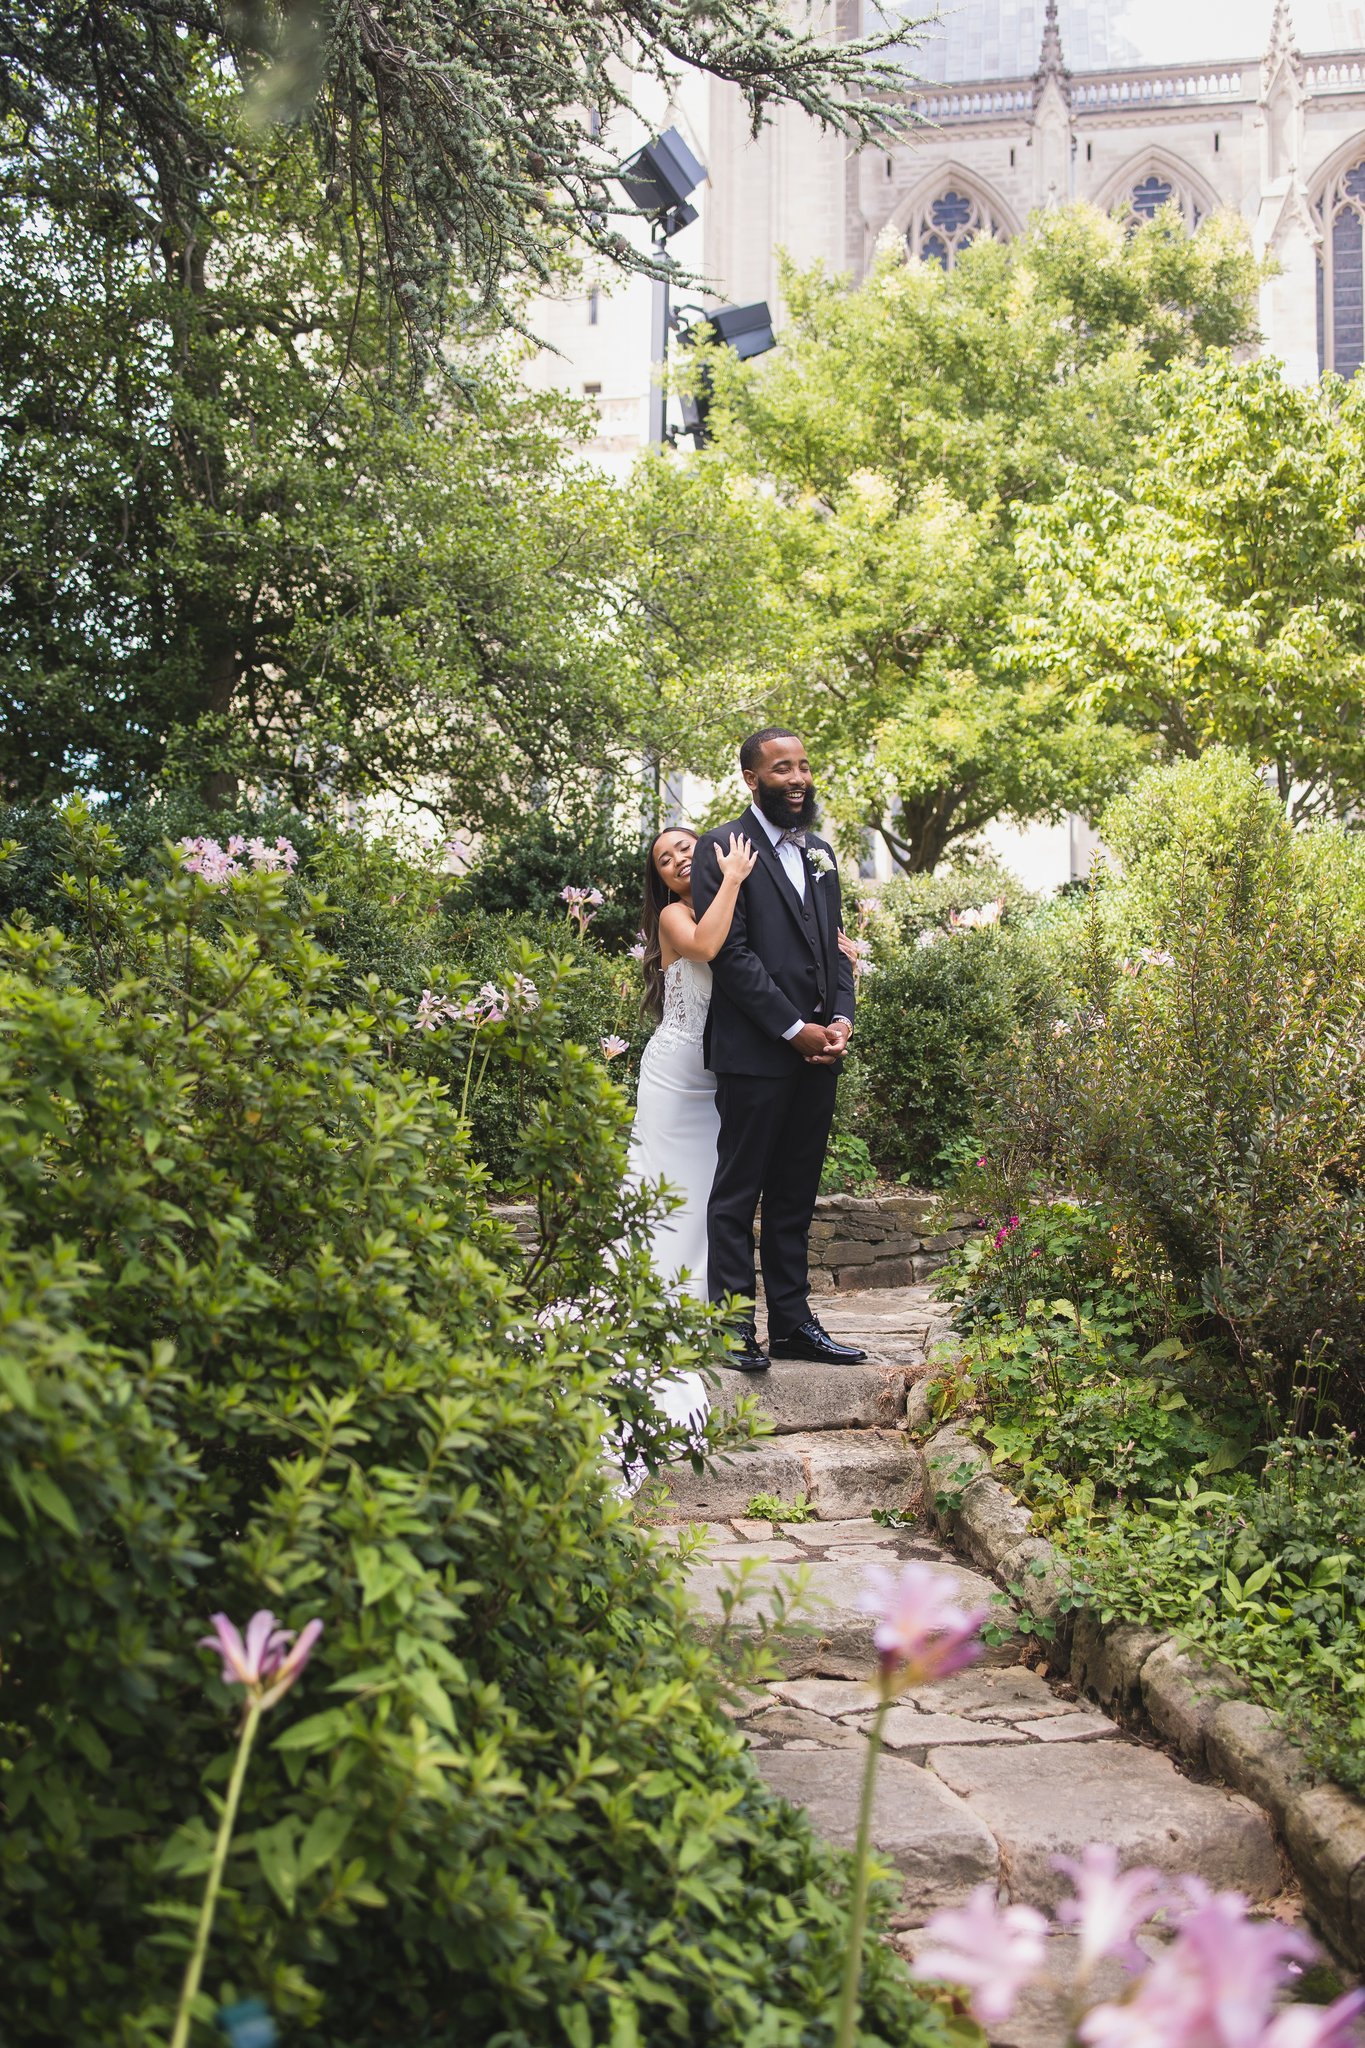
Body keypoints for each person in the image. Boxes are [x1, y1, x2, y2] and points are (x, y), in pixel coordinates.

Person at [689, 728, 868, 1374]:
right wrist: (794, 1029)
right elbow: (731, 958)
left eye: (804, 766)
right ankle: (731, 1328)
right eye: (781, 768)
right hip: (756, 1053)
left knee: (795, 1195)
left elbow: (837, 949)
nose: (796, 778)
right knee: (738, 1193)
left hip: (819, 1057)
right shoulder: (720, 848)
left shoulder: (819, 852)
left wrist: (840, 1021)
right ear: (750, 779)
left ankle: (792, 1324)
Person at [627, 825, 757, 1298]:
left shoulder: (739, 902)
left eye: (685, 847)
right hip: (675, 1074)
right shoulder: (672, 915)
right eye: (665, 859)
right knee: (667, 1186)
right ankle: (652, 1298)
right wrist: (733, 878)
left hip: (723, 1070)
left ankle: (703, 1302)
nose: (678, 858)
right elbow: (704, 946)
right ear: (661, 877)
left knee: (709, 1189)